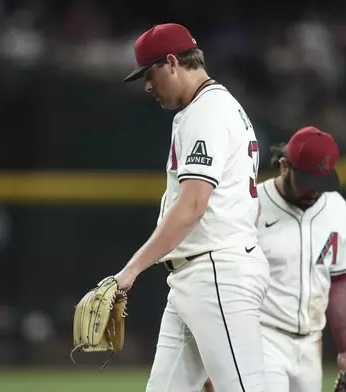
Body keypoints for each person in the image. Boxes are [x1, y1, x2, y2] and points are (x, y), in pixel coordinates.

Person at [114, 23, 269, 392]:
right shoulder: (218, 106)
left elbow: (193, 204)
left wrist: (131, 270)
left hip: (216, 273)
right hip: (200, 275)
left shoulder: (207, 113)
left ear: (172, 62)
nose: (147, 86)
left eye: (149, 74)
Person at [257, 127, 346, 391]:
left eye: (321, 183)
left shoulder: (335, 206)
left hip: (311, 345)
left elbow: (340, 280)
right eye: (308, 182)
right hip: (260, 336)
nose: (314, 192)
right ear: (285, 166)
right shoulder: (253, 205)